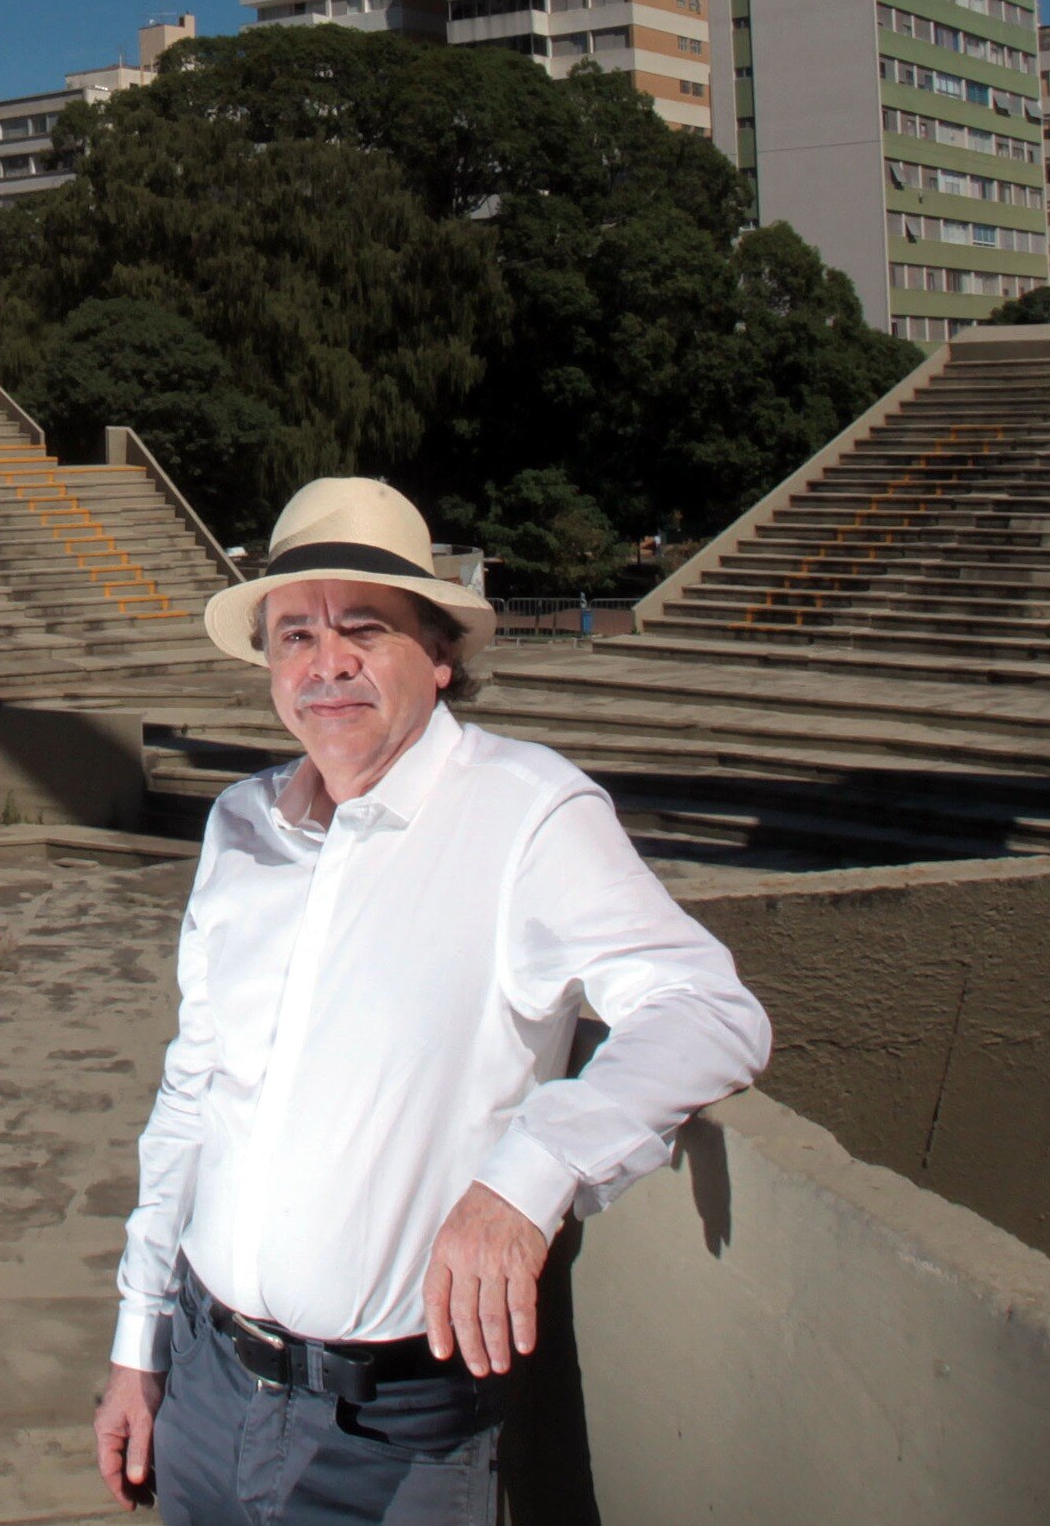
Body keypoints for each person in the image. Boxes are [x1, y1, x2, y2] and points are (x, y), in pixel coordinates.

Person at [94, 477, 770, 1521]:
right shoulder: (239, 827)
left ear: (441, 654)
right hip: (203, 1386)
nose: (326, 663)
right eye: (293, 636)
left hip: (397, 1432)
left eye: (363, 627)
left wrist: (527, 1175)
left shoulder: (525, 814)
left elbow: (707, 1009)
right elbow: (192, 1094)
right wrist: (137, 1348)